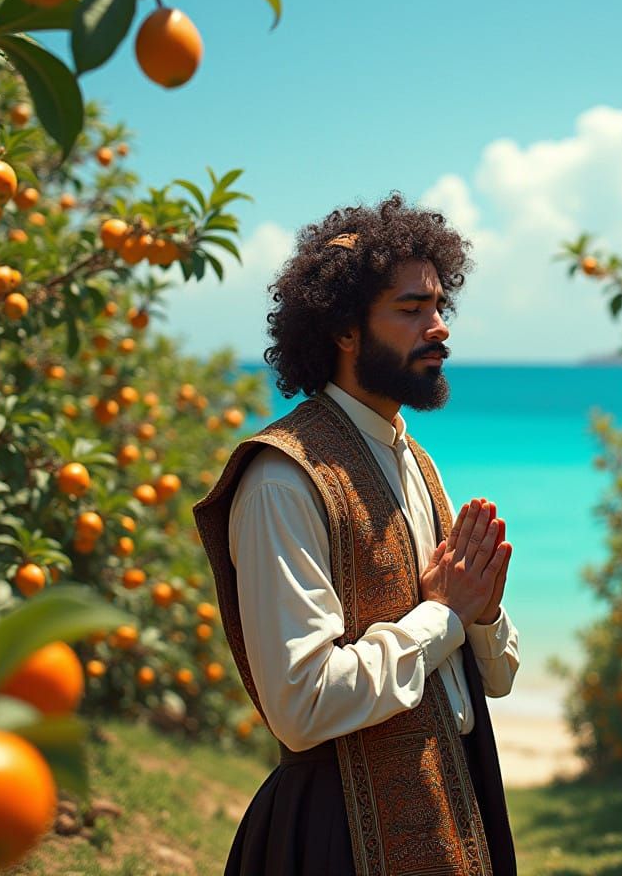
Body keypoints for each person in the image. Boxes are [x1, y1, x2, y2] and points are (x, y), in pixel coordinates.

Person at [193, 192, 520, 875]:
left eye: (439, 307)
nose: (440, 329)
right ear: (343, 331)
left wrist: (482, 614)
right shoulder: (284, 479)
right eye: (411, 310)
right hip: (334, 840)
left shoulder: (416, 461)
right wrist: (444, 615)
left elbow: (497, 677)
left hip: (452, 812)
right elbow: (301, 704)